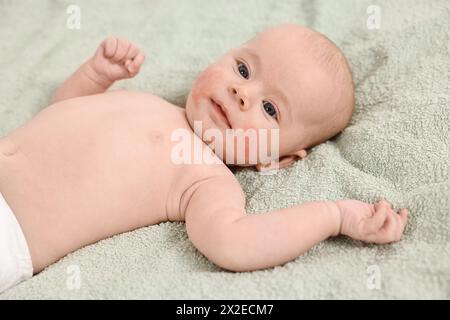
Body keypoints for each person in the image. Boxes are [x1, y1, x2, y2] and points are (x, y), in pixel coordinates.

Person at [0, 24, 408, 293]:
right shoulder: (151, 101)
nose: (242, 93)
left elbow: (236, 244)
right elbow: (61, 113)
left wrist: (335, 215)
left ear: (279, 159)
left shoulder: (206, 180)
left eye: (270, 110)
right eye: (244, 69)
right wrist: (95, 75)